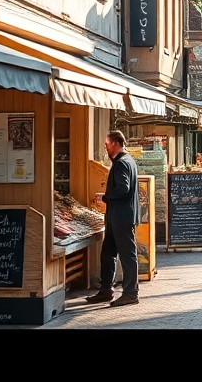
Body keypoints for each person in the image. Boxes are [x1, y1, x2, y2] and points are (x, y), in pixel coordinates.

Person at [87, 129, 141, 307]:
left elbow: (123, 188)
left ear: (116, 144)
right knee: (108, 253)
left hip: (121, 216)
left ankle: (130, 293)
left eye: (107, 145)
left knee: (127, 255)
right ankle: (106, 290)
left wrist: (105, 197)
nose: (106, 148)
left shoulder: (121, 163)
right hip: (116, 216)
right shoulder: (128, 161)